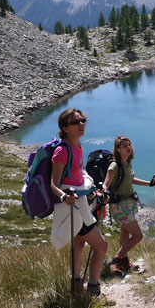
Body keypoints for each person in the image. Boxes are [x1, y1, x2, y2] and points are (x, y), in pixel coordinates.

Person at [50, 107, 108, 296]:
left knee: (79, 245)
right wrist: (64, 197)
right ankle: (92, 289)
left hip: (81, 204)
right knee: (101, 246)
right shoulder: (62, 151)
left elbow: (78, 174)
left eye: (82, 120)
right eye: (76, 122)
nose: (81, 124)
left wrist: (93, 190)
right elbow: (54, 183)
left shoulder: (78, 146)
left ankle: (76, 290)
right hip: (74, 208)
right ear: (65, 128)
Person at [102, 135, 155, 274]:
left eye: (129, 145)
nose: (128, 148)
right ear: (118, 149)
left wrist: (150, 184)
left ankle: (124, 262)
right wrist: (103, 193)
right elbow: (106, 183)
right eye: (124, 146)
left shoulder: (127, 164)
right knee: (138, 236)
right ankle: (117, 259)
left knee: (125, 232)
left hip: (128, 204)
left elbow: (131, 179)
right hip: (119, 206)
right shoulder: (114, 165)